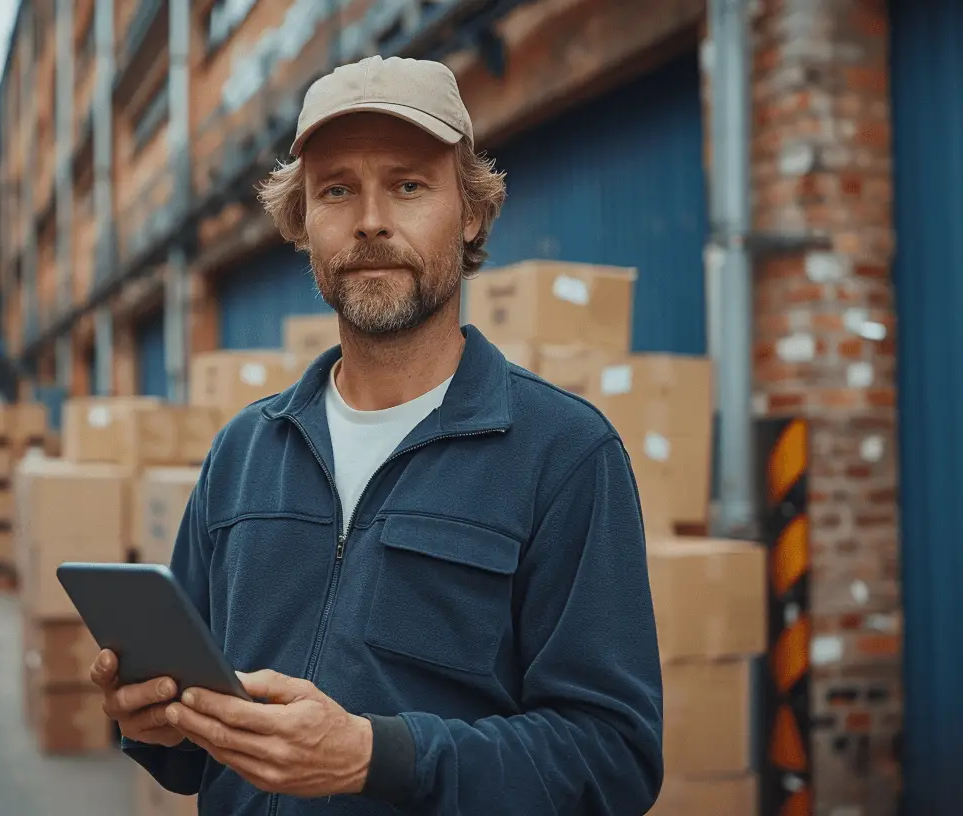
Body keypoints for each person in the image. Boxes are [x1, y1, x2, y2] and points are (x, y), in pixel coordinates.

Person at [90, 55, 664, 815]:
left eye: (408, 184)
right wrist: (156, 722)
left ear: (470, 213)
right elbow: (197, 761)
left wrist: (375, 756)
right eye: (336, 190)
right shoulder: (243, 454)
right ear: (303, 224)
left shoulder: (562, 455)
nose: (369, 220)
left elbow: (613, 759)